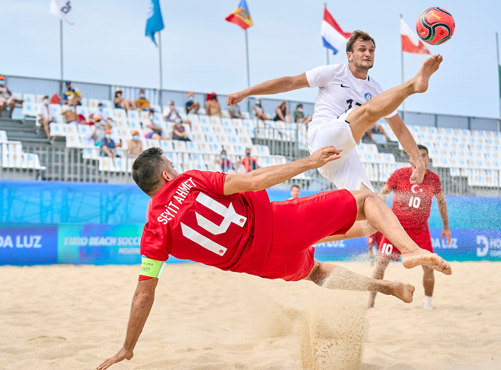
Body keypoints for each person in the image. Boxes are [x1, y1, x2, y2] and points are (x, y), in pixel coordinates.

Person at [97, 70, 452, 370]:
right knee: (367, 199)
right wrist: (308, 163)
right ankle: (407, 250)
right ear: (164, 176)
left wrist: (128, 347)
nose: (173, 171)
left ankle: (387, 287)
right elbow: (253, 181)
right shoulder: (189, 181)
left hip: (261, 263)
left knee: (317, 270)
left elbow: (144, 294)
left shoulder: (152, 232)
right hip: (276, 223)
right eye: (170, 168)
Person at [227, 31, 430, 191]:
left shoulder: (376, 90)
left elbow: (400, 130)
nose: (368, 53)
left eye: (371, 50)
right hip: (321, 138)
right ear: (349, 55)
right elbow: (289, 82)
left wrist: (418, 162)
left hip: (343, 154)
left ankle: (311, 241)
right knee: (369, 112)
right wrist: (246, 92)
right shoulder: (333, 73)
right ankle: (412, 85)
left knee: (369, 208)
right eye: (362, 49)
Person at [368, 144, 451, 310]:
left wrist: (446, 227)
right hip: (396, 228)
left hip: (420, 229)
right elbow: (382, 195)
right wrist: (373, 216)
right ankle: (370, 303)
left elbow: (441, 202)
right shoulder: (400, 174)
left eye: (424, 155)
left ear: (427, 159)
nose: (421, 158)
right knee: (381, 264)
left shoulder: (433, 179)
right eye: (417, 155)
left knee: (429, 266)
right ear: (411, 158)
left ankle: (428, 305)